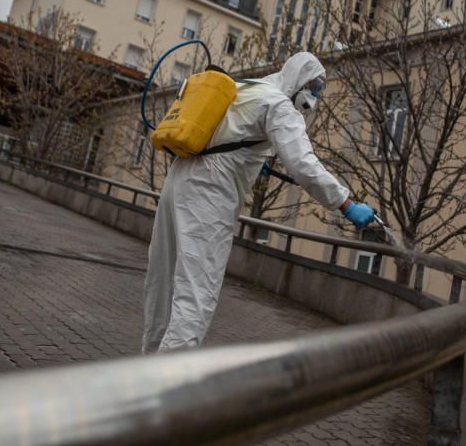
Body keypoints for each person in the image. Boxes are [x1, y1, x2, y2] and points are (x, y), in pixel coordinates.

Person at [142, 52, 376, 354]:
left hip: (180, 178)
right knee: (196, 293)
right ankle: (166, 389)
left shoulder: (247, 87)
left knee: (163, 282)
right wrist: (344, 202)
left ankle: (145, 369)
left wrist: (251, 157)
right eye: (314, 88)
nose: (314, 98)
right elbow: (304, 165)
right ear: (299, 81)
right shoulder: (279, 105)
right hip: (208, 195)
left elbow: (231, 134)